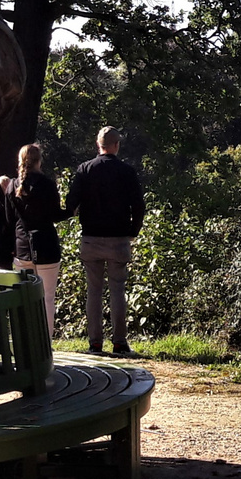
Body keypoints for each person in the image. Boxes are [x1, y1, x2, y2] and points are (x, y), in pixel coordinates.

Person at [65, 126, 145, 355]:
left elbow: (72, 203)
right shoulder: (126, 171)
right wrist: (133, 231)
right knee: (118, 290)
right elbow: (138, 205)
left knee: (94, 291)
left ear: (97, 145)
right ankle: (120, 342)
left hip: (91, 238)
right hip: (118, 238)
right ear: (117, 145)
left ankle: (95, 342)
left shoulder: (85, 169)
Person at [6, 143, 67, 335]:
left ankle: (25, 341)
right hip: (46, 244)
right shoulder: (47, 184)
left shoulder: (11, 186)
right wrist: (71, 211)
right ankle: (45, 342)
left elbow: (9, 220)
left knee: (25, 298)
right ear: (39, 160)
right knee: (47, 297)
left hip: (22, 245)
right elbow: (55, 215)